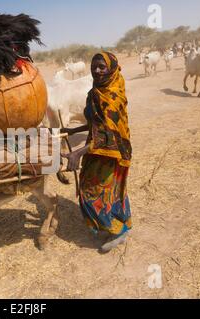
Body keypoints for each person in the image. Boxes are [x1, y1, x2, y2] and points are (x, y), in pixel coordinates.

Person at [61, 52, 132, 253]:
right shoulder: (95, 93)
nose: (97, 71)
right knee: (100, 188)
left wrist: (78, 153)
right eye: (94, 67)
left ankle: (118, 230)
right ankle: (118, 223)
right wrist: (73, 130)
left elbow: (108, 133)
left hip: (114, 151)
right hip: (98, 148)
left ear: (111, 68)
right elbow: (96, 124)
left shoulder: (112, 96)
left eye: (102, 67)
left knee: (99, 190)